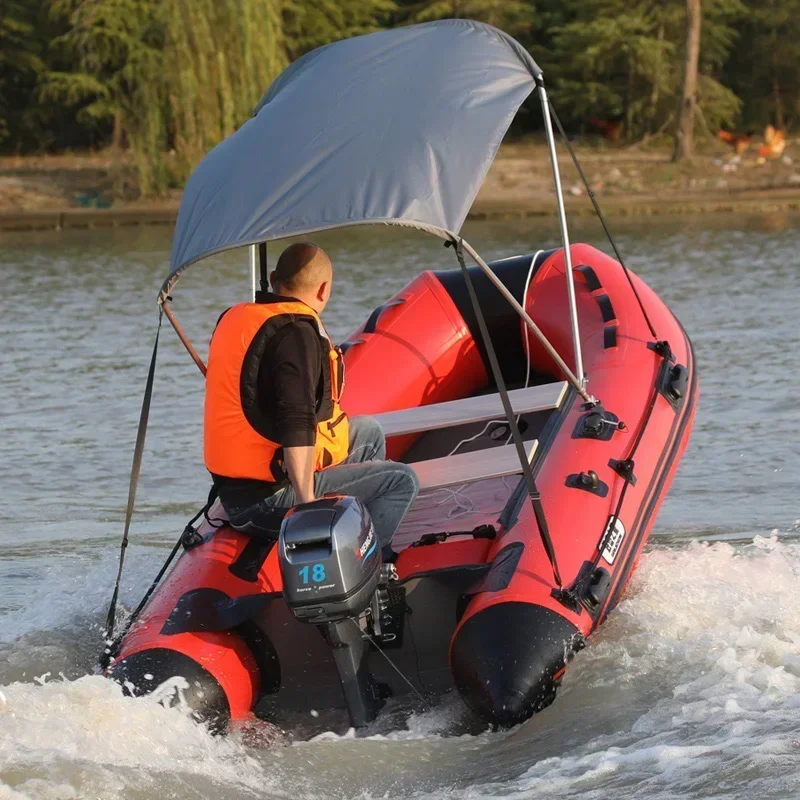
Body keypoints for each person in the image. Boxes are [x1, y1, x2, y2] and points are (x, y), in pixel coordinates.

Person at [203, 241, 419, 559]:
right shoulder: (296, 334)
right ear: (324, 291)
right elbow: (297, 422)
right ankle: (371, 562)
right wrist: (307, 510)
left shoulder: (236, 319)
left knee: (368, 432)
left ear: (274, 277)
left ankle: (351, 526)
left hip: (237, 488)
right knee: (402, 480)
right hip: (268, 500)